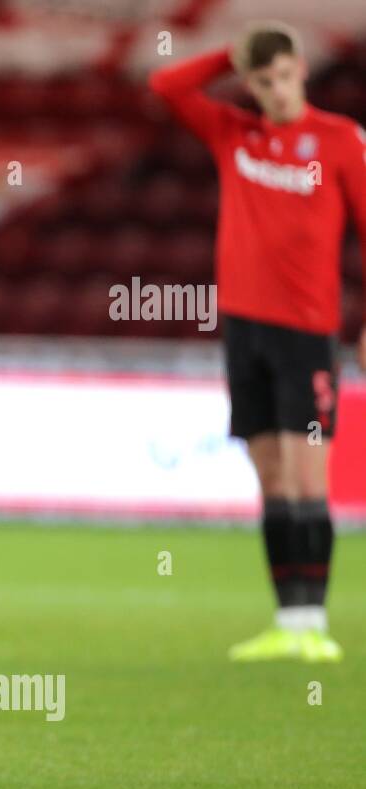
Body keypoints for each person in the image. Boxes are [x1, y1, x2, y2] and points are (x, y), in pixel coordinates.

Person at [150, 21, 366, 663]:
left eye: (280, 75)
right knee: (271, 477)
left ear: (301, 68)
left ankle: (315, 624)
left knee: (306, 476)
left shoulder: (340, 141)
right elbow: (166, 84)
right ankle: (286, 620)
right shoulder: (235, 134)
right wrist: (229, 51)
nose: (273, 90)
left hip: (306, 333)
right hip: (244, 331)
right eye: (260, 80)